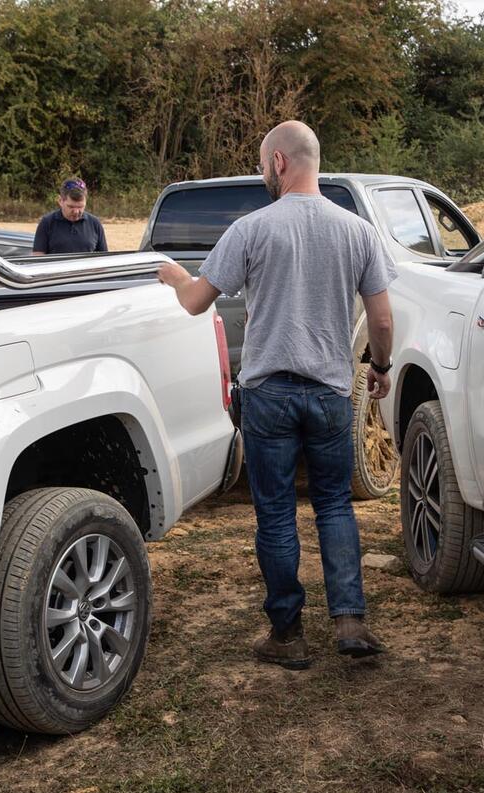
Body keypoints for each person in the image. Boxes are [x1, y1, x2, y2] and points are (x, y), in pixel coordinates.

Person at [156, 120, 396, 670]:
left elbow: (196, 301)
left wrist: (172, 275)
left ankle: (287, 636)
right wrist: (378, 367)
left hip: (268, 394)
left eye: (264, 163)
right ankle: (350, 620)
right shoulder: (357, 231)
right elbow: (381, 318)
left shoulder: (252, 228)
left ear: (279, 163)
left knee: (277, 514)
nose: (264, 172)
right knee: (335, 504)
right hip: (332, 393)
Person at [32, 177, 107, 255]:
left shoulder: (95, 223)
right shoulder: (47, 222)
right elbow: (38, 257)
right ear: (60, 201)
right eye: (71, 206)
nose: (76, 212)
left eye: (80, 207)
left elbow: (104, 259)